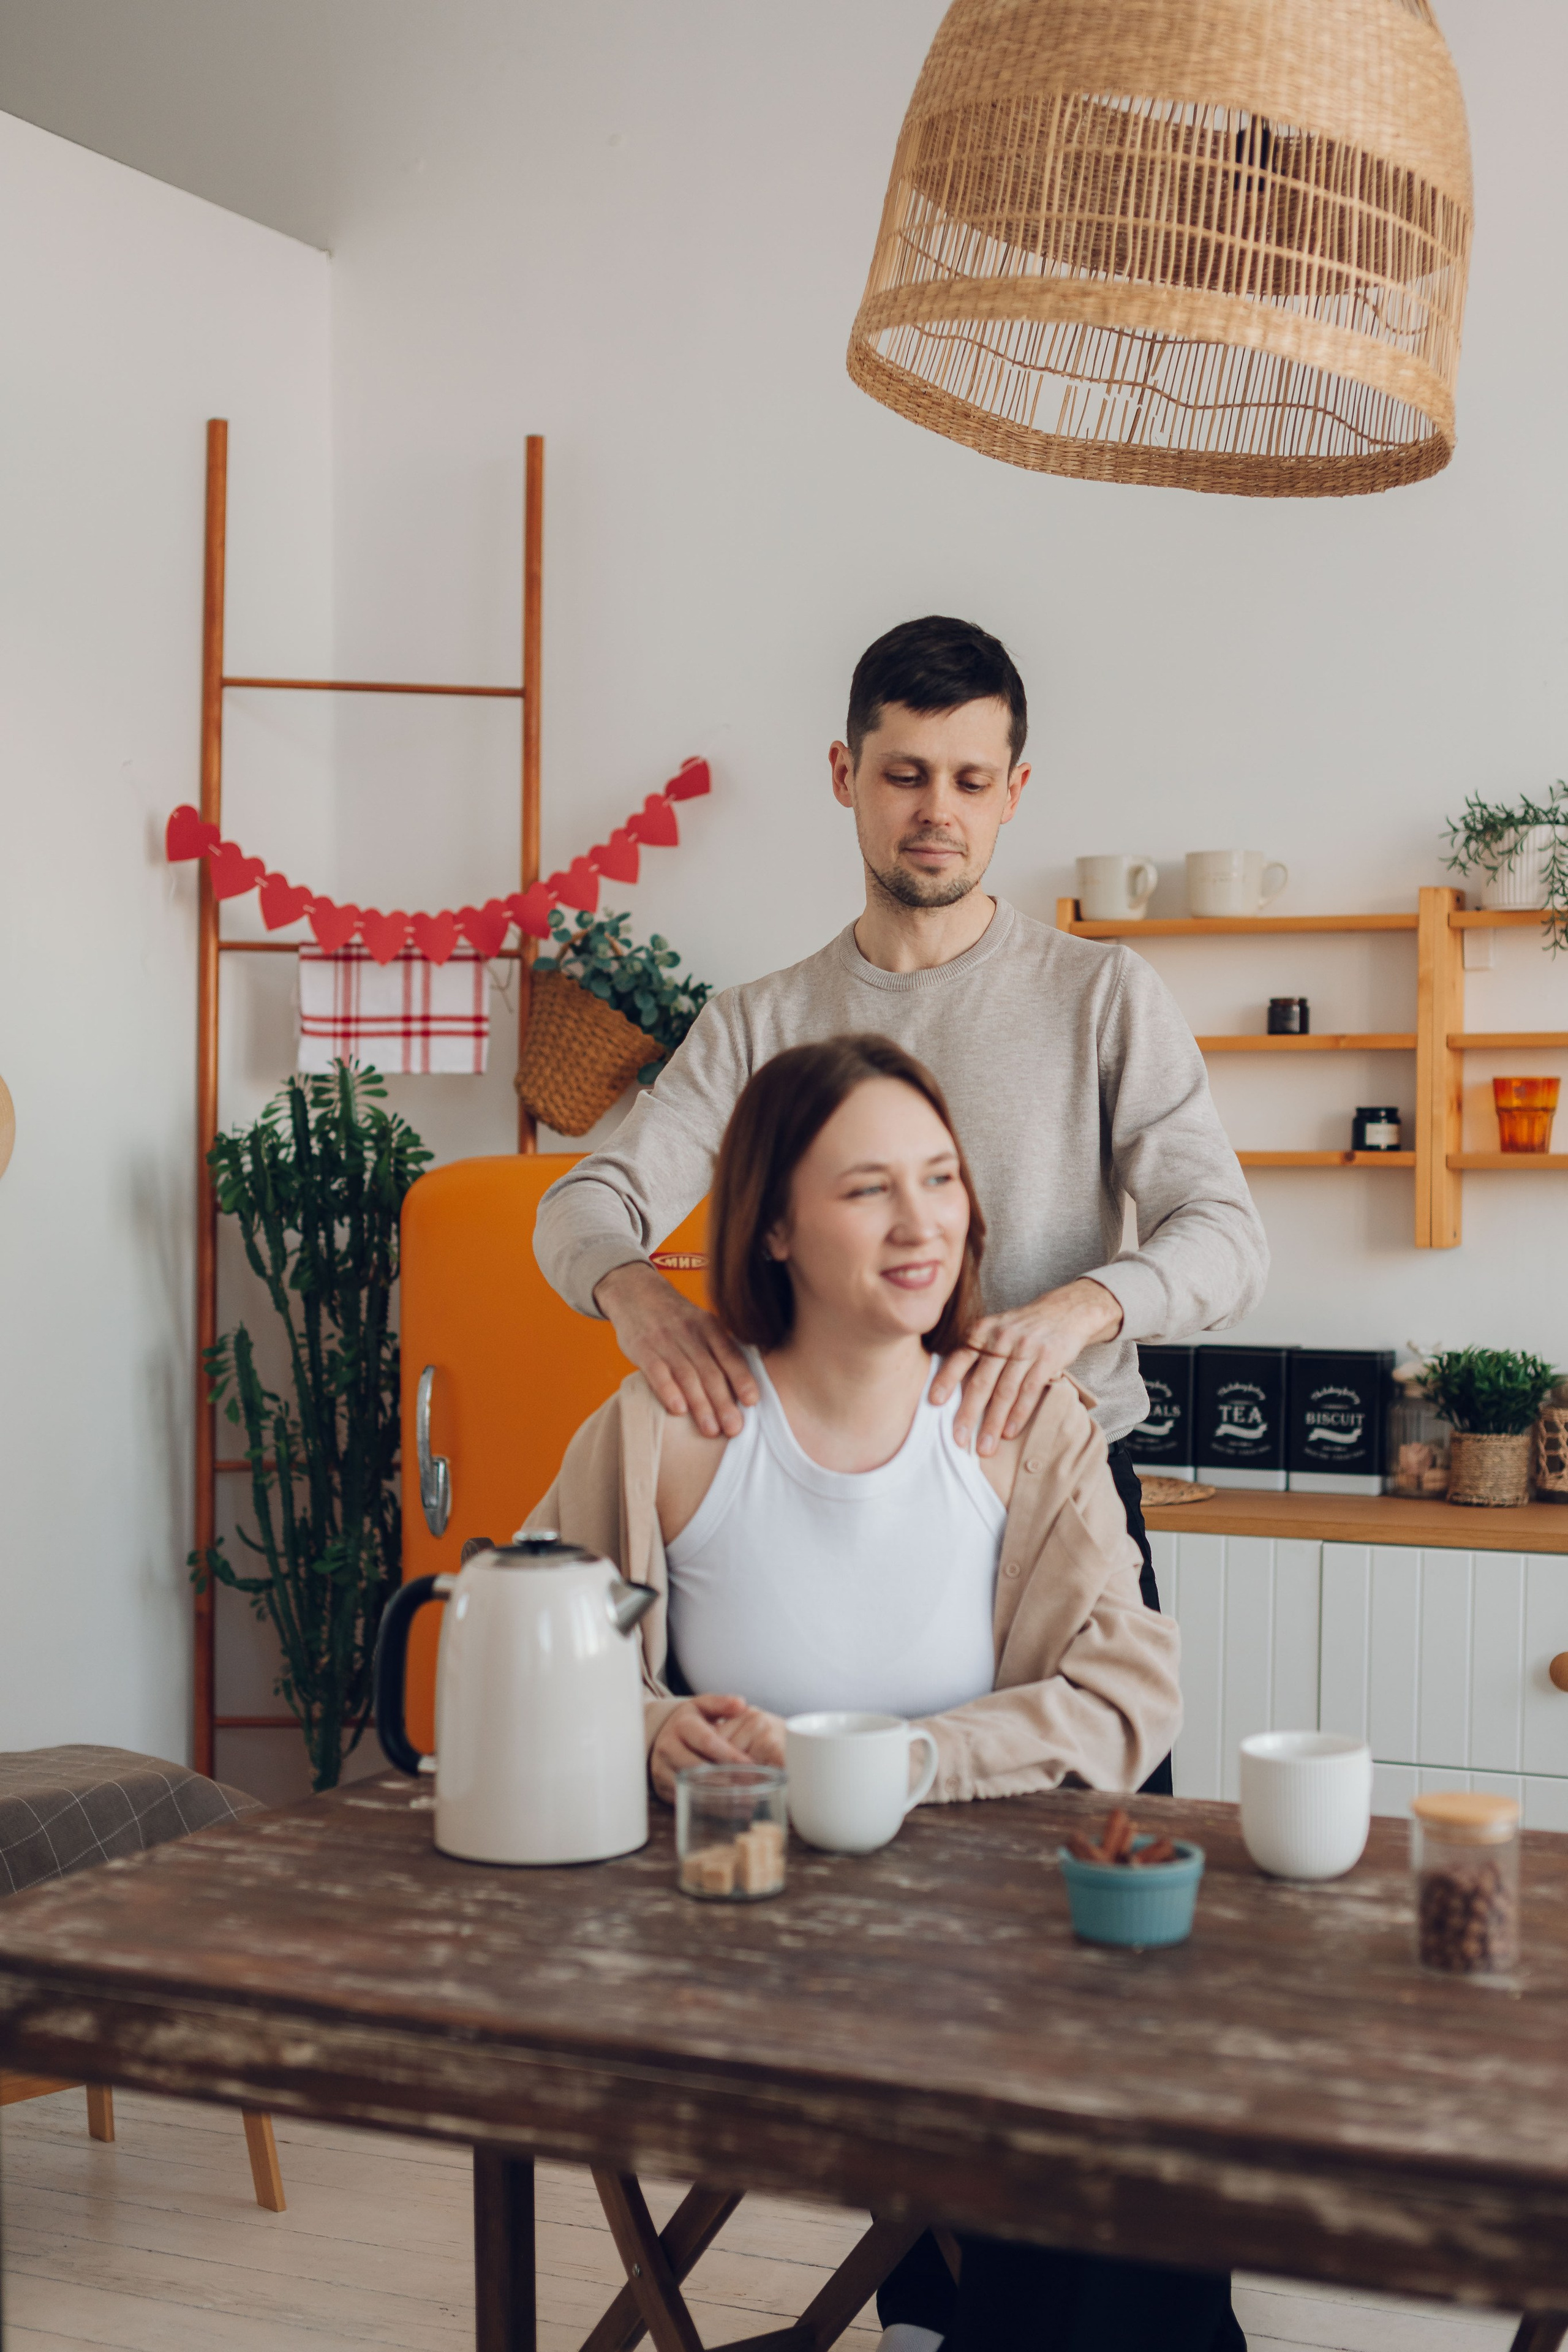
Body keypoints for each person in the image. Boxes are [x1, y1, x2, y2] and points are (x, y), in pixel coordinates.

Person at [525, 1036, 1241, 2352]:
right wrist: (648, 1728)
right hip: (752, 1951)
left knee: (1149, 2090)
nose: (922, 1224)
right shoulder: (667, 1428)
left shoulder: (1029, 1427)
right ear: (775, 1227)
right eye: (868, 1190)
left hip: (999, 1940)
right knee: (1084, 2113)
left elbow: (1131, 1690)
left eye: (941, 1179)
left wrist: (911, 1761)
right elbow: (527, 1654)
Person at [533, 615, 1268, 1786]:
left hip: (1041, 1485)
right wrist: (640, 1302)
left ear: (1014, 792)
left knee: (1090, 1843)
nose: (938, 811)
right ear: (846, 774)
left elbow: (1227, 1237)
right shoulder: (758, 1025)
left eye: (971, 781)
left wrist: (1071, 1314)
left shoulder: (1102, 994)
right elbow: (584, 1202)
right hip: (802, 1497)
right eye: (906, 775)